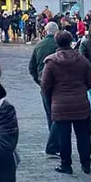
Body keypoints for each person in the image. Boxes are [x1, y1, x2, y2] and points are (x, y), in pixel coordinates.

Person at [41, 30, 91, 174]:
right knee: (83, 136)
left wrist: (53, 96)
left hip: (60, 104)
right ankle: (86, 164)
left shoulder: (51, 62)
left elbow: (45, 85)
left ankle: (66, 164)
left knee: (63, 137)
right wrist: (81, 89)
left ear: (56, 43)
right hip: (80, 103)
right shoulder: (82, 59)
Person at [29, 21, 60, 155]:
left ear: (45, 31)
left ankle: (53, 142)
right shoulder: (60, 44)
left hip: (44, 83)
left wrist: (38, 80)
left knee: (50, 114)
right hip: (60, 84)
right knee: (59, 115)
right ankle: (55, 143)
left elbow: (32, 67)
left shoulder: (39, 45)